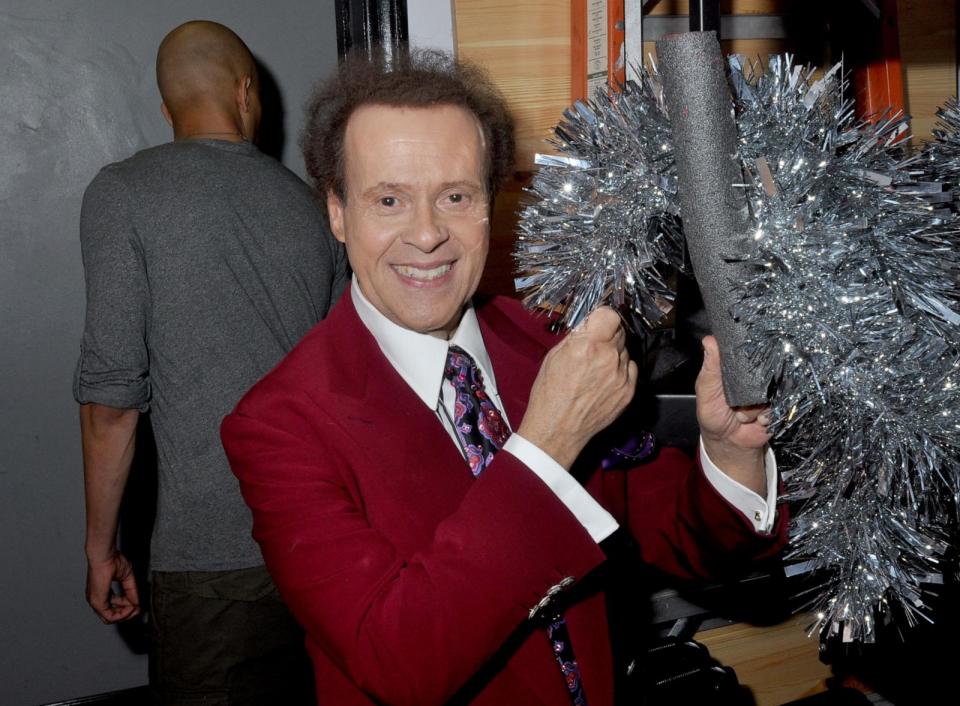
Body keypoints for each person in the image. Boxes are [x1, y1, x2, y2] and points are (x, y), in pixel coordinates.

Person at [221, 49, 786, 706]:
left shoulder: (544, 342)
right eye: (390, 200)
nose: (428, 234)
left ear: (491, 203)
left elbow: (682, 538)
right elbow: (399, 662)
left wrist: (728, 452)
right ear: (338, 214)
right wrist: (547, 443)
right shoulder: (280, 423)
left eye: (455, 196)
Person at [75, 20, 347, 705]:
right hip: (323, 545)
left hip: (210, 562)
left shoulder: (123, 194)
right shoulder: (317, 209)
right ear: (247, 93)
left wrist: (101, 547)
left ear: (167, 110)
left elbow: (111, 403)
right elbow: (350, 377)